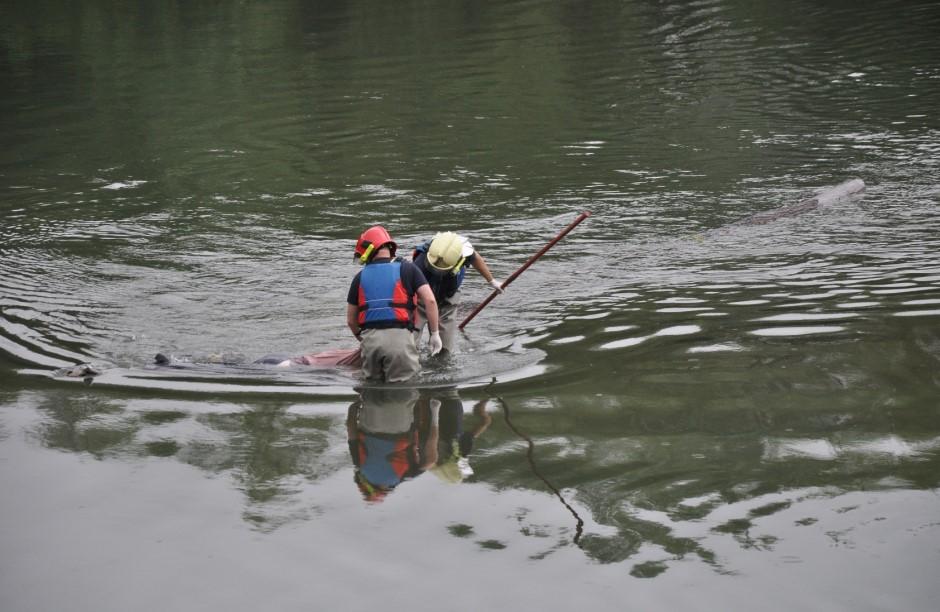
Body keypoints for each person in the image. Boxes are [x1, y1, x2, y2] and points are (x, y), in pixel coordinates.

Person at [346, 225, 442, 382]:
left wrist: (364, 340)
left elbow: (351, 320)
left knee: (372, 391)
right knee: (403, 392)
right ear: (390, 247)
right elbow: (430, 300)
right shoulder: (408, 269)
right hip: (400, 342)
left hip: (370, 343)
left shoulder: (359, 277)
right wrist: (435, 334)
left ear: (369, 251)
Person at [411, 231, 503, 354]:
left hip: (448, 297)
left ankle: (442, 363)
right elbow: (410, 290)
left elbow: (476, 258)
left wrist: (491, 281)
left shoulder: (464, 252)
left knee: (445, 347)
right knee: (410, 341)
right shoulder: (420, 261)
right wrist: (433, 332)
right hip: (421, 297)